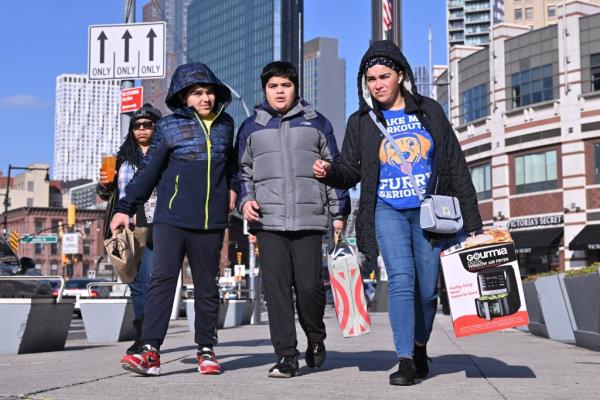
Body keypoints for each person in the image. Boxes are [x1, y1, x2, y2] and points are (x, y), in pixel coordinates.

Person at [313, 40, 482, 386]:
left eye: (384, 76)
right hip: (387, 210)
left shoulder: (430, 111)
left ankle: (420, 346)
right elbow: (349, 170)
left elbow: (454, 164)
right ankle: (405, 358)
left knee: (427, 291)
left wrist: (474, 222)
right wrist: (329, 172)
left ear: (400, 75)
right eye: (370, 78)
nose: (377, 84)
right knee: (402, 282)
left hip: (430, 213)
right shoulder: (361, 122)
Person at [110, 62, 238, 376]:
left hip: (210, 222)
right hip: (170, 219)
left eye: (209, 92)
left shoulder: (226, 124)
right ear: (184, 97)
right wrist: (124, 206)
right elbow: (149, 170)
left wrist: (234, 188)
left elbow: (232, 165)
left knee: (208, 286)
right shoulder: (168, 128)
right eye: (197, 93)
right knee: (162, 282)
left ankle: (206, 350)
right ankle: (149, 350)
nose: (205, 98)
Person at [236, 61, 350, 378]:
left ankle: (315, 337)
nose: (280, 91)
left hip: (310, 219)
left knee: (310, 288)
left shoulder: (317, 123)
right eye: (273, 86)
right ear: (265, 90)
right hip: (268, 221)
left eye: (285, 85)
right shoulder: (251, 128)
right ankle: (286, 354)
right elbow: (241, 174)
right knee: (277, 291)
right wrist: (245, 201)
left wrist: (339, 213)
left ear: (295, 87)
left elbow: (334, 169)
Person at [96, 103, 162, 355]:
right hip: (125, 226)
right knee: (133, 281)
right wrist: (104, 184)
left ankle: (148, 337)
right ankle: (142, 334)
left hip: (155, 224)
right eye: (137, 125)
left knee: (149, 279)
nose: (142, 129)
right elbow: (106, 195)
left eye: (147, 124)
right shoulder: (122, 158)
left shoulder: (163, 155)